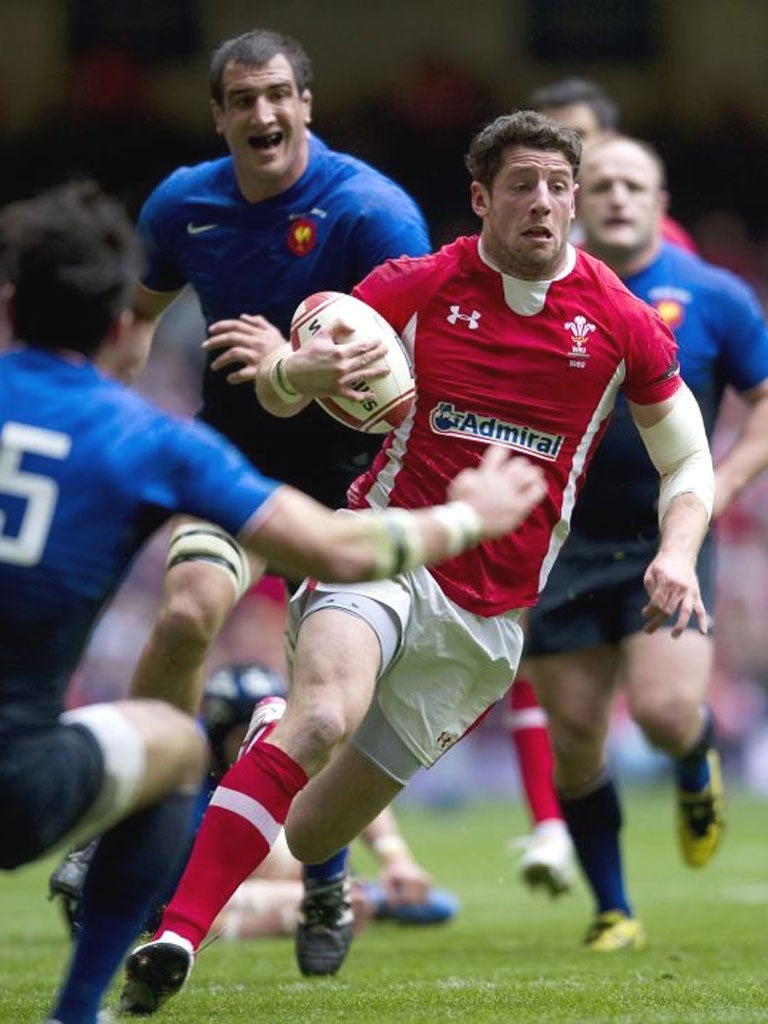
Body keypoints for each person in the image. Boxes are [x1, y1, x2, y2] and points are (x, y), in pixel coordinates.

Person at [119, 110, 715, 1015]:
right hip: (386, 552)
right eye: (522, 185)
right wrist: (298, 373)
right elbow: (289, 386)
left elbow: (689, 459)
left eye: (558, 187)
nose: (544, 204)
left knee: (318, 825)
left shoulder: (621, 322)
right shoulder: (421, 282)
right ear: (482, 200)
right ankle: (176, 937)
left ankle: (267, 725)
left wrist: (677, 551)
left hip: (489, 621)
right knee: (322, 719)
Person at [0, 179, 546, 1024]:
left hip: (319, 510)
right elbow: (332, 547)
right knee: (179, 748)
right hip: (25, 777)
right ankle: (77, 1009)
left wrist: (287, 373)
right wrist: (471, 517)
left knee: (278, 695)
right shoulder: (143, 437)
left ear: (9, 305)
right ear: (119, 326)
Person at [47, 25, 438, 979]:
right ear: (219, 114)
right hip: (236, 473)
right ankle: (136, 827)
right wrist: (112, 437)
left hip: (353, 487)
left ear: (307, 104)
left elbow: (416, 370)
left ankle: (330, 877)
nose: (263, 114)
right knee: (186, 612)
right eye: (243, 100)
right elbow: (131, 329)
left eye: (278, 96)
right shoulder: (184, 205)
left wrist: (300, 371)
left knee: (323, 701)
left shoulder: (371, 213)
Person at [519, 134, 768, 952]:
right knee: (578, 738)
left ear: (661, 203)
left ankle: (695, 760)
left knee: (663, 713)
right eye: (604, 186)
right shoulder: (542, 290)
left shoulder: (714, 296)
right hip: (561, 544)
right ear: (578, 205)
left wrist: (723, 485)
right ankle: (614, 909)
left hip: (671, 534)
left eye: (636, 185)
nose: (618, 198)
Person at [200, 663, 459, 941]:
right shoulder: (195, 795)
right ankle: (343, 894)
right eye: (248, 735)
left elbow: (347, 789)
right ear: (218, 738)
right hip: (242, 889)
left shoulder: (288, 755)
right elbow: (181, 900)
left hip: (291, 884)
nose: (264, 744)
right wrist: (284, 918)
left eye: (274, 731)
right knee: (275, 847)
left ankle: (346, 893)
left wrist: (395, 857)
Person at [528, 76, 697, 253]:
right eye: (549, 137)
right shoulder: (517, 218)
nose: (562, 147)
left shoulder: (661, 236)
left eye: (578, 135)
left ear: (609, 139)